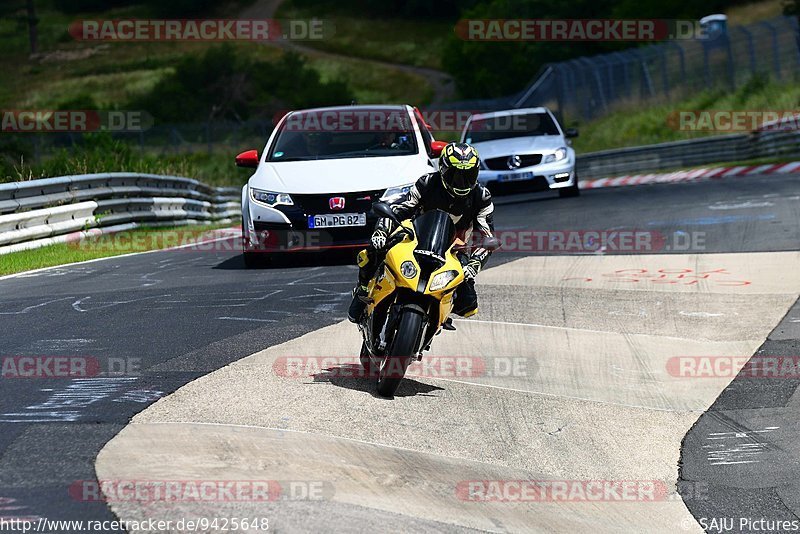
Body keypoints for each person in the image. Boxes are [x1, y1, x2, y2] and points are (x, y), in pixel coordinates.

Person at [347, 142, 495, 323]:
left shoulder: (482, 197)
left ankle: (439, 314)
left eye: (468, 175)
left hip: (455, 247)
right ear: (443, 170)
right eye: (455, 175)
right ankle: (363, 289)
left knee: (468, 303)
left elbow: (486, 236)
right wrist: (381, 231)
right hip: (416, 235)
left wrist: (474, 264)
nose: (462, 182)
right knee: (375, 250)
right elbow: (400, 209)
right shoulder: (427, 183)